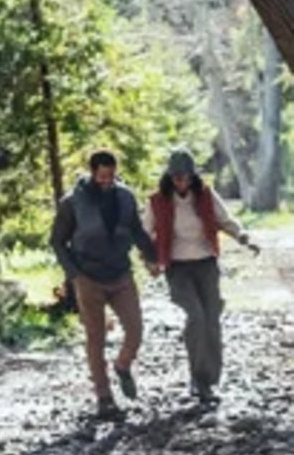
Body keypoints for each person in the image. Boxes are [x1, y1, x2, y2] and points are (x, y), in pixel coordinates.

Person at [51, 150, 160, 421]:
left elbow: (136, 230)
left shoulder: (125, 196)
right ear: (92, 172)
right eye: (101, 177)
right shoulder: (72, 202)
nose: (107, 181)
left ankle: (123, 366)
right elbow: (57, 241)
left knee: (135, 328)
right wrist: (73, 274)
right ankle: (104, 397)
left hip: (121, 273)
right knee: (95, 338)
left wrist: (151, 257)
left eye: (110, 176)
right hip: (88, 276)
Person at [146, 148, 260, 406]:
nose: (181, 182)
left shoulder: (206, 196)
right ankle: (198, 378)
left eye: (185, 177)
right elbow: (145, 232)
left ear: (193, 176)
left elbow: (225, 220)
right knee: (195, 316)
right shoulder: (157, 201)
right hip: (178, 267)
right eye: (176, 178)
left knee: (211, 320)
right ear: (169, 178)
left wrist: (243, 237)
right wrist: (150, 260)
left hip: (206, 263)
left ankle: (208, 380)